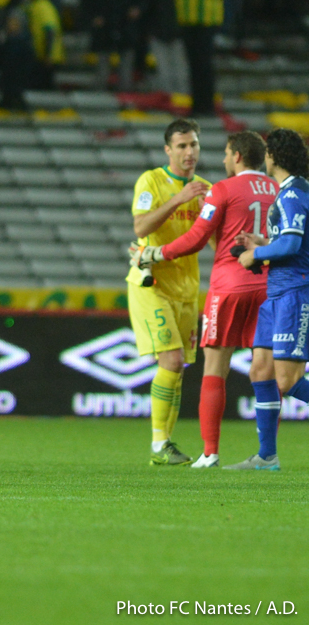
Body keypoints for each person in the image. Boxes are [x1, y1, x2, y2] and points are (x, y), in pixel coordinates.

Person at [133, 131, 277, 467]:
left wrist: (157, 252)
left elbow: (198, 238)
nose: (223, 159)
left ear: (238, 156)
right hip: (269, 286)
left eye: (227, 153)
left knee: (215, 367)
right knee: (264, 371)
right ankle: (268, 454)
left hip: (229, 287)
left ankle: (210, 453)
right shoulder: (276, 189)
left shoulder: (223, 189)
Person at [126, 118, 210, 465]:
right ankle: (159, 443)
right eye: (181, 146)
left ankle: (166, 444)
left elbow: (215, 238)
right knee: (172, 360)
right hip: (152, 282)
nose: (189, 152)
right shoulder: (152, 181)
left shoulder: (206, 188)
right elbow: (141, 226)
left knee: (177, 369)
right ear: (168, 150)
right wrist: (179, 199)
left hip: (187, 288)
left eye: (193, 144)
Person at [228, 128, 309, 470]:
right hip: (276, 294)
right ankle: (266, 456)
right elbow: (290, 240)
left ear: (275, 156)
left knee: (287, 381)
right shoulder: (289, 192)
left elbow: (291, 246)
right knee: (260, 372)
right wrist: (261, 242)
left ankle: (266, 455)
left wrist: (256, 257)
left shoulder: (293, 195)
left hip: (294, 293)